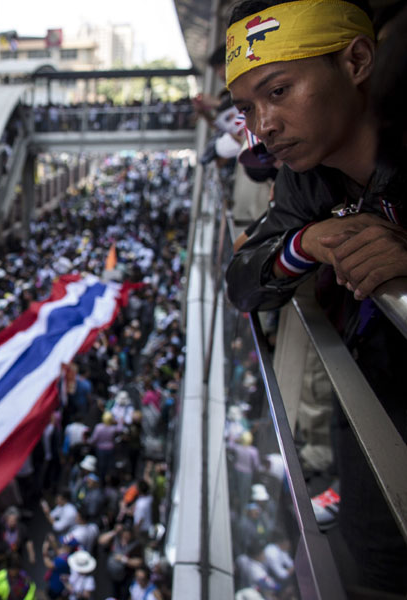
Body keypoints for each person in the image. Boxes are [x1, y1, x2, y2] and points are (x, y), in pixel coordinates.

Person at [224, 0, 407, 591]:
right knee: (375, 560)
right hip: (377, 399)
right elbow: (242, 281)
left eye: (278, 91)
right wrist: (308, 241)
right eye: (246, 109)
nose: (263, 126)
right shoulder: (307, 180)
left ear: (357, 61)